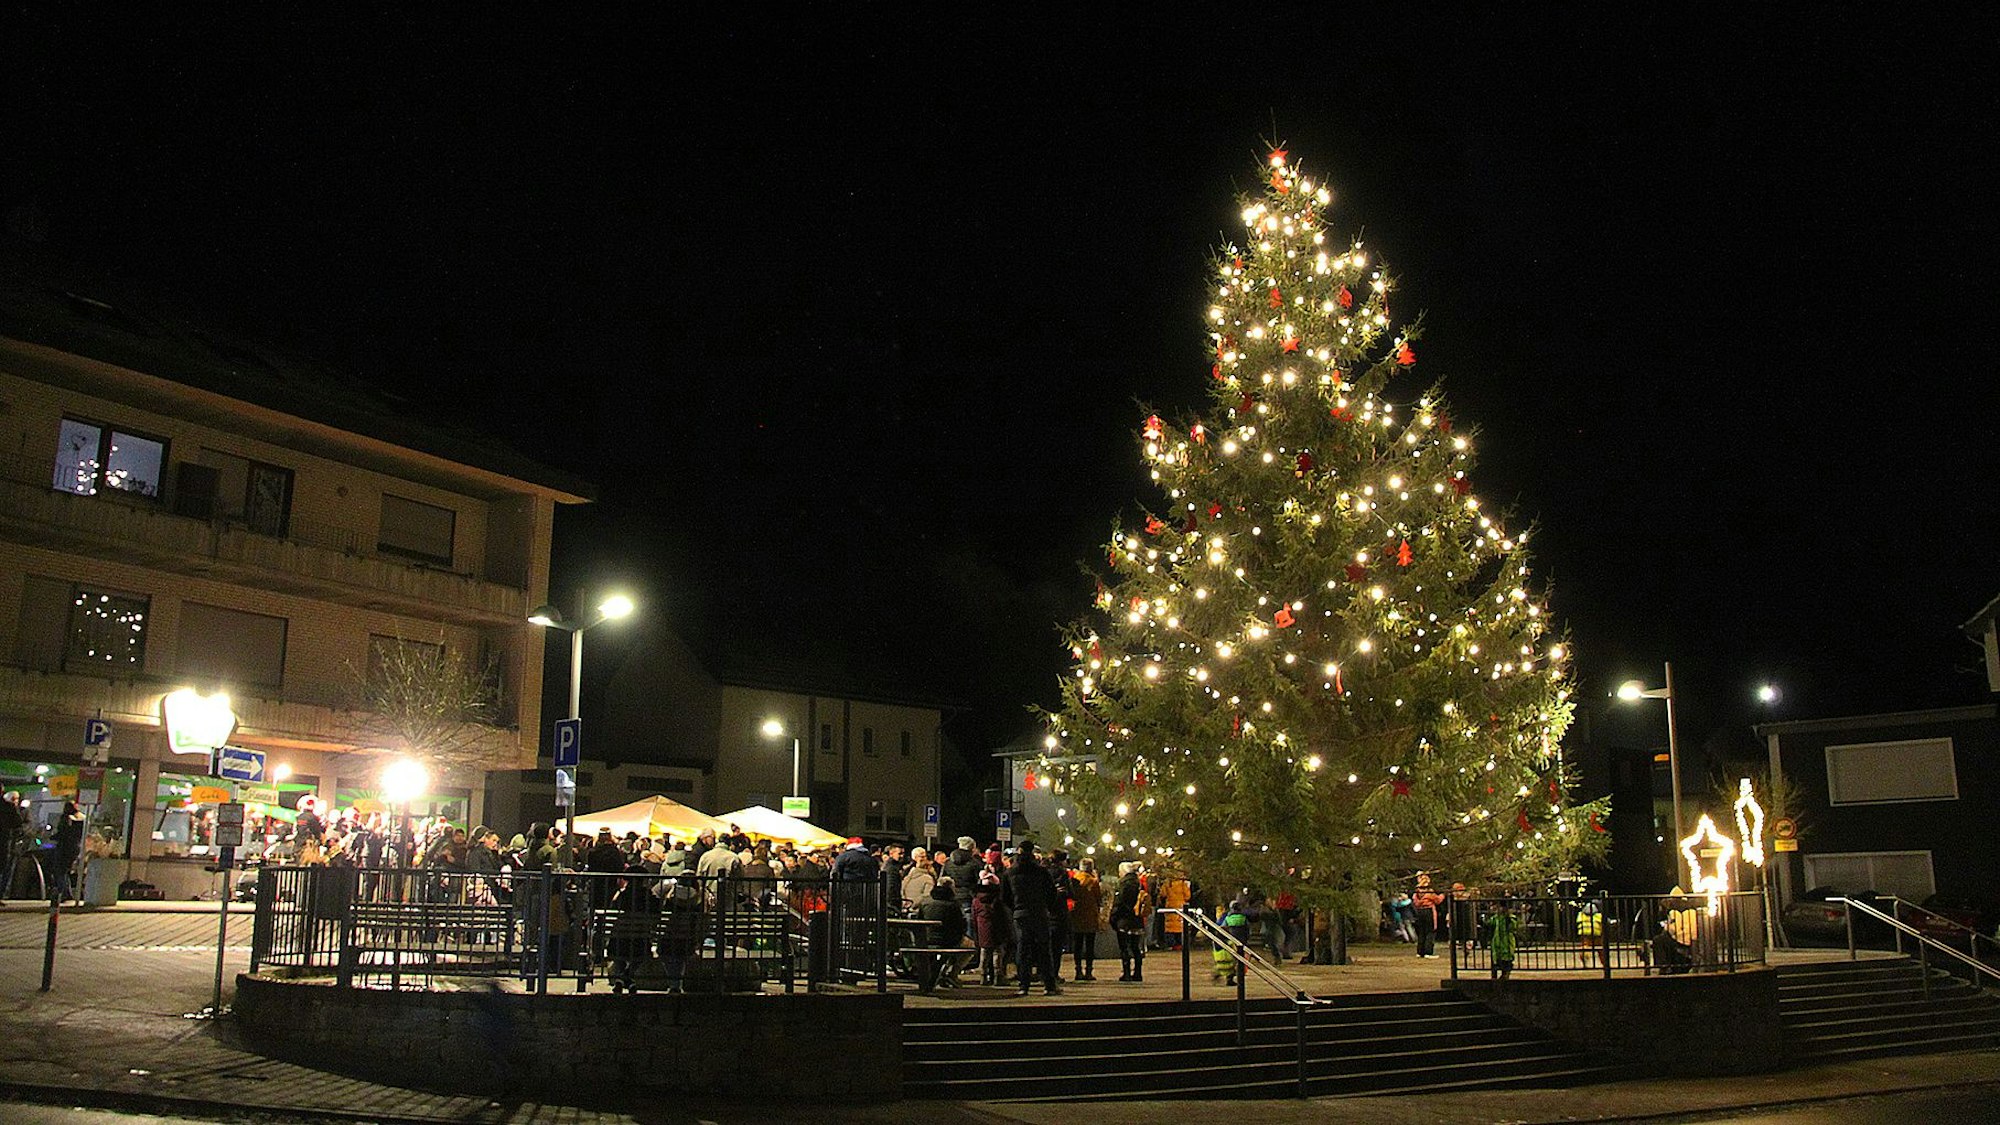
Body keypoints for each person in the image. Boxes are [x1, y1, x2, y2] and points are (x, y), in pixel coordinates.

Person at [998, 840, 1063, 996]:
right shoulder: (1041, 871)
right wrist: (1046, 906)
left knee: (1023, 949)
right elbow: (1051, 893)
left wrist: (1016, 908)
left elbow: (1004, 896)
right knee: (1044, 949)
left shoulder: (1010, 872)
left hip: (1020, 914)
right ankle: (1049, 985)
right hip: (1039, 913)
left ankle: (1023, 985)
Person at [912, 880, 970, 994]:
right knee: (970, 946)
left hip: (926, 939)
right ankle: (951, 973)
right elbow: (961, 924)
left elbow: (918, 920)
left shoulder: (925, 901)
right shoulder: (953, 904)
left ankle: (937, 977)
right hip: (948, 940)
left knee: (931, 956)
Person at [1110, 861, 1148, 982]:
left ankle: (1126, 972)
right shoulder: (1138, 883)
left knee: (1124, 947)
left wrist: (1113, 917)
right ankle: (1138, 972)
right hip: (1137, 918)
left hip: (1124, 920)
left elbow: (1119, 902)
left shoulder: (1123, 884)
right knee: (1136, 947)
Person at [1068, 857, 1103, 981]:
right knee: (1089, 945)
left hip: (1076, 915)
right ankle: (1088, 971)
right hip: (1090, 916)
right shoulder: (1093, 882)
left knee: (1077, 945)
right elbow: (1099, 899)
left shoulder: (1074, 880)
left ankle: (1078, 970)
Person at [940, 836, 983, 924]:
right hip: (968, 897)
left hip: (951, 897)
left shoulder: (948, 862)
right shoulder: (975, 863)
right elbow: (979, 882)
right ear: (971, 848)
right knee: (969, 924)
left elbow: (942, 879)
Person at [51, 800, 86, 904]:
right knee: (66, 869)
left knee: (60, 870)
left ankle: (63, 892)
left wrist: (53, 836)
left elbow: (63, 832)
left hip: (64, 847)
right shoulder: (82, 817)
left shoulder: (66, 817)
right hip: (75, 847)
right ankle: (67, 892)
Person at [1412, 874, 1444, 959]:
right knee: (1431, 931)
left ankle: (1420, 952)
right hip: (1429, 911)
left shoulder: (1416, 893)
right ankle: (1428, 952)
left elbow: (1415, 902)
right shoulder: (1429, 892)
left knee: (1422, 932)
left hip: (1420, 912)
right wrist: (1442, 895)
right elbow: (1437, 900)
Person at [901, 846, 936, 912]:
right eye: (922, 857)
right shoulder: (928, 878)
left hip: (906, 907)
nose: (924, 859)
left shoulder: (907, 874)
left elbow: (902, 889)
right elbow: (927, 896)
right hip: (918, 910)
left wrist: (905, 903)